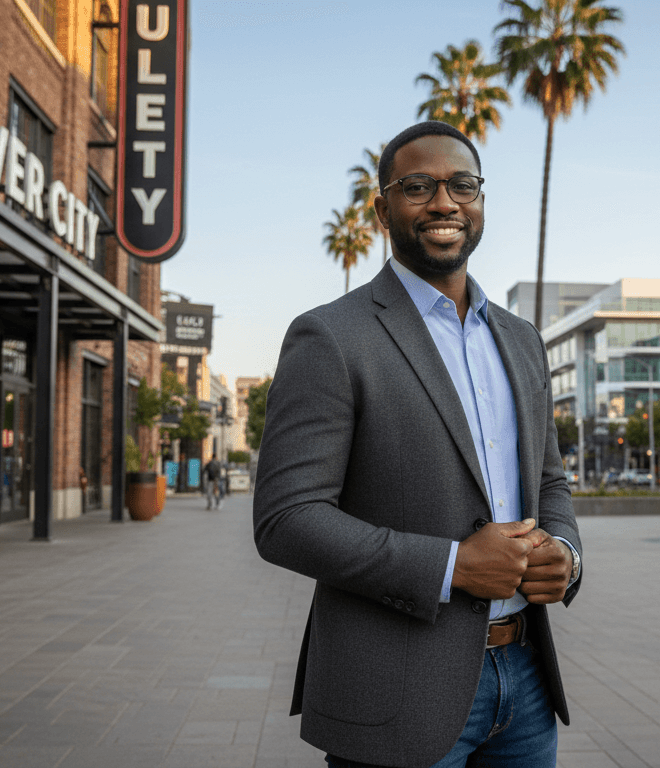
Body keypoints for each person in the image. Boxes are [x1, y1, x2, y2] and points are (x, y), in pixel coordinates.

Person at [254, 121, 583, 768]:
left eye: (463, 184)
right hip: (394, 693)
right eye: (417, 186)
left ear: (480, 201)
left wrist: (566, 553)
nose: (444, 202)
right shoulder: (331, 337)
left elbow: (549, 481)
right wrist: (452, 566)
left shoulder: (521, 340)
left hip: (525, 683)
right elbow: (286, 519)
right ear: (382, 209)